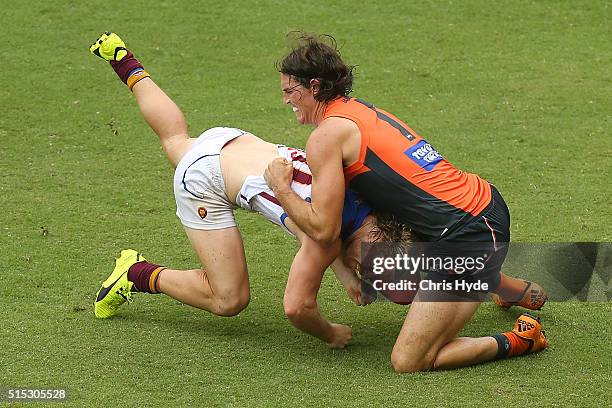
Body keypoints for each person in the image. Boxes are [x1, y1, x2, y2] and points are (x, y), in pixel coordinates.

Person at [264, 34, 548, 372]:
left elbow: (324, 229)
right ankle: (502, 286)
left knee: (409, 360)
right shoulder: (359, 111)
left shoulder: (326, 137)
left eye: (288, 91)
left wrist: (281, 189)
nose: (285, 101)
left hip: (468, 231)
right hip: (474, 213)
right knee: (390, 260)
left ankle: (520, 339)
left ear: (313, 86)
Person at [89, 32, 378, 348]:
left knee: (175, 138)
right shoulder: (323, 231)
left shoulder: (348, 186)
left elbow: (326, 233)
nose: (364, 267)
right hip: (204, 179)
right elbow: (300, 302)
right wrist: (331, 333)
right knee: (228, 299)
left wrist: (345, 274)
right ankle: (137, 273)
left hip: (234, 144)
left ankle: (122, 59)